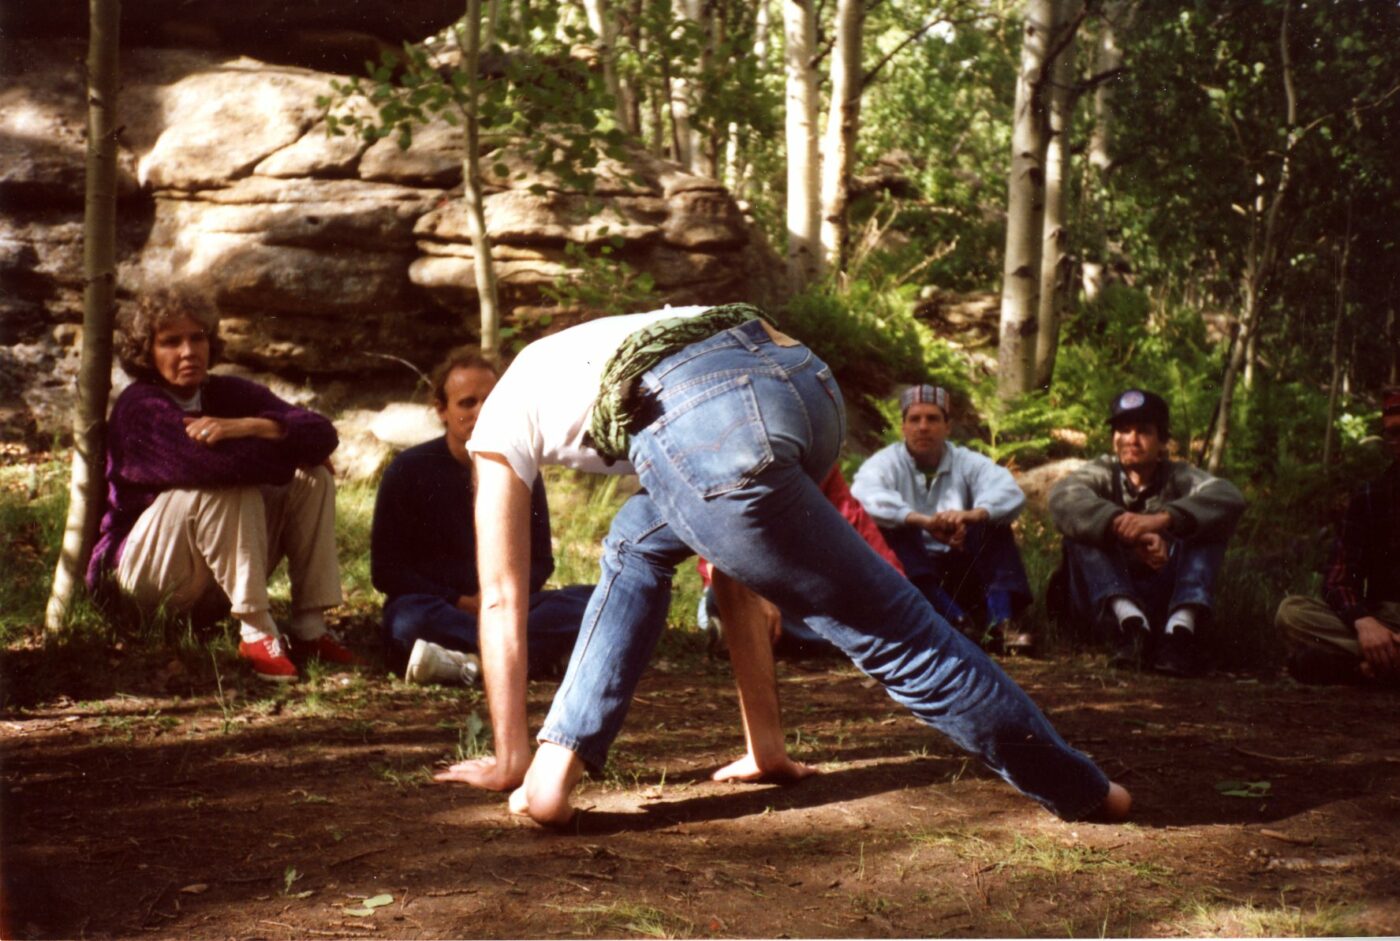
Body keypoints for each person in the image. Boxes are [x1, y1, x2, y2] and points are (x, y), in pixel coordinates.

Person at [431, 302, 1130, 826]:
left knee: (895, 630)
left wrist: (505, 757)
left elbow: (500, 599)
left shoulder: (496, 422)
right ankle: (757, 746)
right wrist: (766, 749)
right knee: (639, 538)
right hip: (800, 378)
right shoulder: (578, 352)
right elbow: (736, 567)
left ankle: (1082, 787)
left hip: (706, 413)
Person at [87, 292, 355, 682]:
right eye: (170, 342)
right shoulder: (139, 408)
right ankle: (256, 630)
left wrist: (254, 425)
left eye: (197, 338)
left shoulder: (226, 393)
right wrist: (291, 447)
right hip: (140, 579)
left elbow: (321, 432)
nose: (189, 351)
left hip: (205, 579)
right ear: (146, 351)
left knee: (312, 477)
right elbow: (218, 466)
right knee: (232, 484)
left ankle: (310, 629)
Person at [371, 349, 592, 685]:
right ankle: (528, 656)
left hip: (508, 606)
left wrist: (499, 600)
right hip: (441, 608)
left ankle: (470, 664)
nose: (480, 412)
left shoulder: (522, 469)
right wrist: (460, 601)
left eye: (490, 401)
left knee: (593, 603)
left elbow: (540, 561)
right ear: (442, 410)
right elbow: (387, 572)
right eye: (467, 403)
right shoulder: (408, 470)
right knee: (407, 622)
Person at [1049, 389, 1245, 676]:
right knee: (1082, 531)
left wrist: (1161, 520)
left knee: (1208, 525)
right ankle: (1129, 629)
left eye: (1144, 431)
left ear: (1162, 441)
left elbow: (1229, 497)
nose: (1132, 439)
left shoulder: (1179, 475)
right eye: (1123, 430)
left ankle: (1179, 633)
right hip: (1103, 605)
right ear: (1114, 438)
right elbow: (1063, 497)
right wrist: (1125, 527)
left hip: (1163, 600)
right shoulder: (1102, 471)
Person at [851, 384, 1035, 654]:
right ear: (903, 427)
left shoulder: (966, 461)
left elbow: (1009, 491)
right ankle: (953, 622)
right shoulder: (885, 463)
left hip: (963, 569)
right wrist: (922, 521)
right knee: (893, 529)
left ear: (947, 427)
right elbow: (864, 495)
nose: (923, 427)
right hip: (916, 576)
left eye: (933, 418)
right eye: (915, 419)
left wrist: (971, 515)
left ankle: (1001, 623)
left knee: (992, 522)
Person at [1274, 388, 1400, 685]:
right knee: (1292, 614)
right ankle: (1381, 665)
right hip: (1384, 620)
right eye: (1393, 434)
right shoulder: (1371, 496)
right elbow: (1337, 578)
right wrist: (1363, 621)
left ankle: (1361, 670)